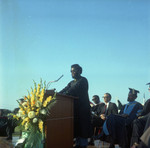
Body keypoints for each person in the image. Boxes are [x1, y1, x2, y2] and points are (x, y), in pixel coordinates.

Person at [59, 64, 92, 148]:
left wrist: (64, 94)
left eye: (74, 71)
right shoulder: (71, 82)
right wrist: (56, 95)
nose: (72, 73)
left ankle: (83, 145)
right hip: (74, 110)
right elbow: (64, 90)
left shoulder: (83, 80)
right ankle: (77, 144)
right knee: (77, 129)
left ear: (80, 71)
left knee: (82, 130)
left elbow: (72, 91)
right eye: (71, 71)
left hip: (83, 110)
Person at [130, 82, 150, 148]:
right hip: (147, 118)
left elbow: (143, 112)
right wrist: (140, 116)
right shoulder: (149, 101)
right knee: (137, 121)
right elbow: (143, 112)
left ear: (135, 97)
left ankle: (142, 144)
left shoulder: (138, 104)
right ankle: (136, 143)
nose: (149, 88)